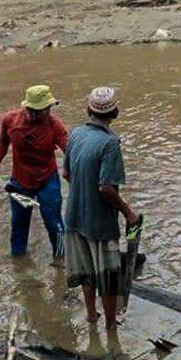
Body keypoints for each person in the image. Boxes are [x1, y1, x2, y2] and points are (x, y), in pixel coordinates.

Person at [62, 87, 140, 330]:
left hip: (74, 217)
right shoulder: (110, 143)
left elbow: (66, 173)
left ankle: (91, 316)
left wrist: (83, 192)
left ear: (88, 110)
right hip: (99, 223)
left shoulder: (75, 134)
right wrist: (128, 213)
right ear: (115, 112)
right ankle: (110, 327)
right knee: (108, 277)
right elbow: (106, 188)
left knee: (87, 273)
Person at [0, 84, 69, 257]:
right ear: (30, 108)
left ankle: (61, 260)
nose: (48, 112)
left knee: (54, 224)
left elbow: (70, 152)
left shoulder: (54, 125)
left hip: (47, 180)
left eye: (49, 108)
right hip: (19, 181)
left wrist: (73, 172)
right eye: (44, 109)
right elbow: (2, 143)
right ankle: (18, 261)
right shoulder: (10, 120)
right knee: (18, 225)